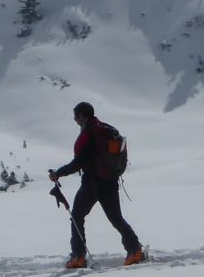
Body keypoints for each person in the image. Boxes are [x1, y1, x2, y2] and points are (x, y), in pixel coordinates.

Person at [47, 101, 143, 268]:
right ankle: (135, 250)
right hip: (110, 182)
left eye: (75, 116)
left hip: (92, 183)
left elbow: (78, 163)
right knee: (116, 219)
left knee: (77, 216)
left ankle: (78, 256)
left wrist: (58, 173)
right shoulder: (103, 129)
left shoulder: (89, 134)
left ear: (81, 116)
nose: (74, 120)